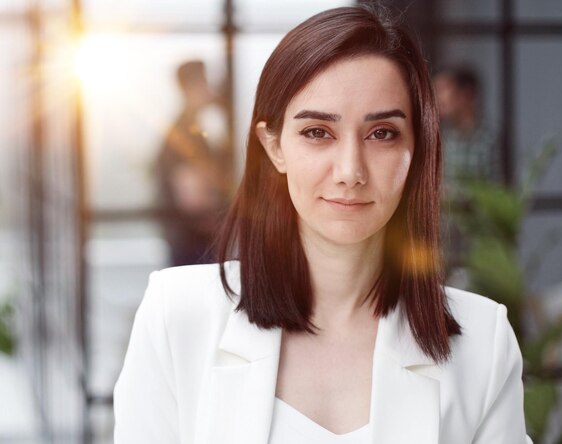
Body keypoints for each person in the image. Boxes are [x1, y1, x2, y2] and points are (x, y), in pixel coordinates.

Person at [115, 6, 531, 443]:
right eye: (317, 132)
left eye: (382, 133)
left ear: (417, 151)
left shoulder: (484, 343)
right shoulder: (176, 317)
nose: (350, 170)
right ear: (274, 147)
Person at [155, 60, 231, 266]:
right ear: (192, 86)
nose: (211, 88)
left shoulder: (188, 129)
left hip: (190, 241)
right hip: (193, 245)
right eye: (205, 81)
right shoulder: (185, 134)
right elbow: (193, 198)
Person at [433, 63, 501, 194]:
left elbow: (500, 191)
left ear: (466, 94)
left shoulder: (491, 137)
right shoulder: (440, 136)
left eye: (443, 89)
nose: (438, 97)